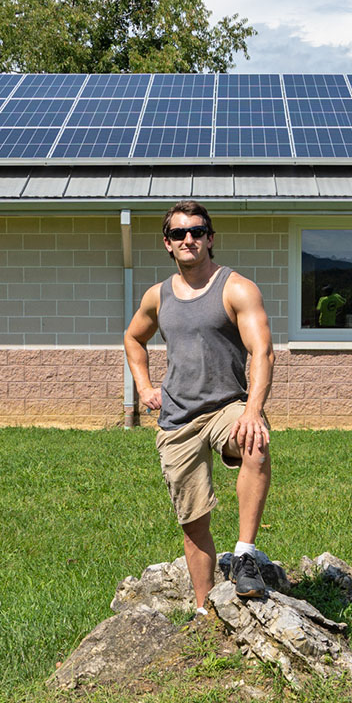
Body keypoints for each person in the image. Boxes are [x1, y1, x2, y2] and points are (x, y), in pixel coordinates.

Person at [123, 201, 275, 611]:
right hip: (177, 419)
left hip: (228, 405)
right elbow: (133, 339)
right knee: (194, 524)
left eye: (197, 231)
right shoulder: (157, 297)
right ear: (167, 244)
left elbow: (262, 352)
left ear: (210, 238)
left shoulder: (236, 288)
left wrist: (253, 410)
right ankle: (205, 609)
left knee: (255, 445)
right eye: (178, 233)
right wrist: (144, 387)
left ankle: (244, 555)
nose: (188, 238)